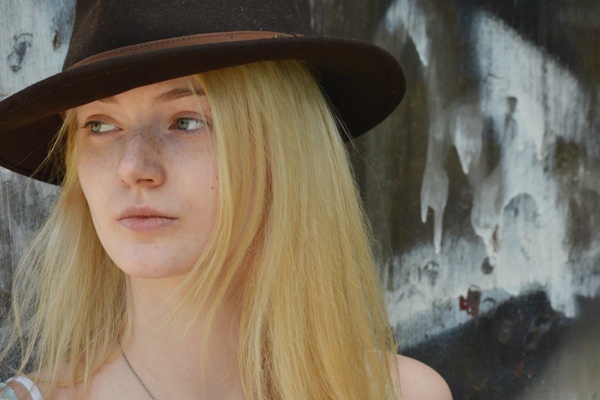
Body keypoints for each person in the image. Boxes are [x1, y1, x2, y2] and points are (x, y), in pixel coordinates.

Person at [0, 1, 452, 399]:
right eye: (100, 125)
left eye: (186, 121)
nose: (132, 167)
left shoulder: (399, 394)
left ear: (284, 149)